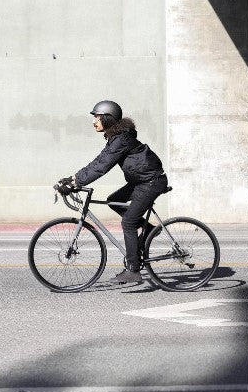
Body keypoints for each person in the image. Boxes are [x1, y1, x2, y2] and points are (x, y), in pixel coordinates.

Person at [59, 100, 168, 284]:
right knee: (114, 200)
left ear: (108, 119)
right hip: (141, 181)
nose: (94, 121)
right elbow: (98, 161)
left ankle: (133, 270)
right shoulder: (115, 137)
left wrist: (77, 182)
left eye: (97, 117)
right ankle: (149, 229)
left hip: (151, 181)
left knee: (128, 222)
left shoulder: (121, 139)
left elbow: (103, 166)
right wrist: (73, 179)